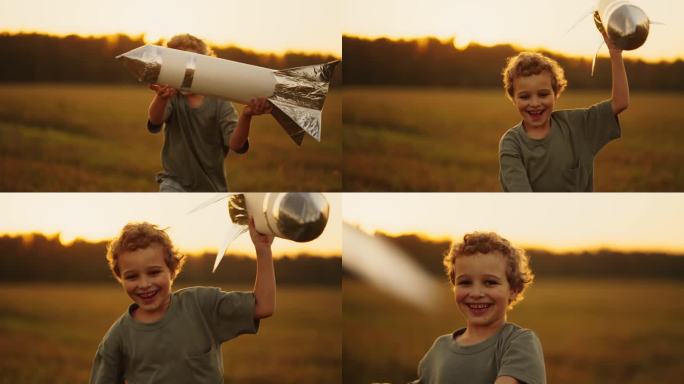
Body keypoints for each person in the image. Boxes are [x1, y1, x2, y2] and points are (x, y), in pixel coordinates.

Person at [89, 219, 275, 383]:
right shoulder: (117, 339)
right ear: (120, 277)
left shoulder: (200, 306)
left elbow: (262, 306)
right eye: (132, 277)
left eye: (154, 272)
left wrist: (263, 248)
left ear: (172, 269)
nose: (144, 284)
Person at [498, 25, 629, 192]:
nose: (535, 103)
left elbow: (620, 102)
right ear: (513, 98)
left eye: (543, 94)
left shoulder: (577, 125)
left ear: (556, 93)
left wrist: (615, 54)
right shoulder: (511, 143)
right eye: (525, 97)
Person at [412, 232, 545, 384]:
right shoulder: (439, 348)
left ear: (514, 289)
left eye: (490, 282)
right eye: (465, 282)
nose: (476, 293)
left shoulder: (518, 342)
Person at [148, 34, 272, 192]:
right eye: (178, 66)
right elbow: (155, 119)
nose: (185, 72)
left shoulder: (220, 102)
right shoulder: (172, 97)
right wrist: (161, 98)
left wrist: (246, 115)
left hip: (211, 187)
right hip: (174, 181)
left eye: (191, 65)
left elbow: (236, 144)